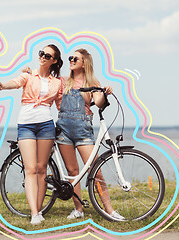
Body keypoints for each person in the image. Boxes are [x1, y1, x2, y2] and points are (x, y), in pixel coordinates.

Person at [0, 44, 63, 225]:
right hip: (26, 126)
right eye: (41, 53)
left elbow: (61, 105)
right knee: (30, 169)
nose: (43, 57)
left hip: (46, 125)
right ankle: (34, 214)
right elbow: (14, 83)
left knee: (42, 169)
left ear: (54, 60)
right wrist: (1, 85)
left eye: (47, 55)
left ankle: (38, 211)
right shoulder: (28, 75)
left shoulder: (57, 82)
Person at [55, 48, 125, 220]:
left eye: (75, 58)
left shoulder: (91, 81)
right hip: (63, 129)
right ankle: (78, 209)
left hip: (82, 130)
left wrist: (104, 92)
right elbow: (43, 83)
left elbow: (99, 104)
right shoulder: (63, 81)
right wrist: (28, 73)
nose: (71, 60)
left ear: (84, 63)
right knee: (73, 172)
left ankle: (110, 210)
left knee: (96, 171)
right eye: (70, 58)